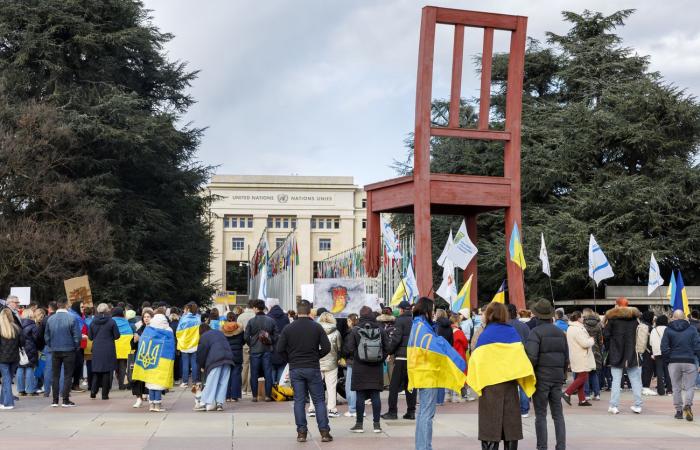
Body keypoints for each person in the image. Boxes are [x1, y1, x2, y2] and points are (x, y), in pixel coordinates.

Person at [467, 302, 536, 450]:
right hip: (510, 385)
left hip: (489, 386)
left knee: (490, 426)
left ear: (489, 315)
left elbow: (475, 361)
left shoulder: (485, 335)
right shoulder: (512, 333)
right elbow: (521, 360)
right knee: (511, 426)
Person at [276, 299, 333, 443]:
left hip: (296, 368)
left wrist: (290, 359)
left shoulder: (288, 328)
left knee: (299, 401)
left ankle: (301, 433)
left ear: (297, 311)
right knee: (319, 401)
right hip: (313, 367)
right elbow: (326, 347)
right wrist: (316, 356)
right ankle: (324, 432)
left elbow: (279, 349)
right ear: (309, 311)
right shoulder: (316, 327)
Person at [525, 299, 568, 450]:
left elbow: (531, 357)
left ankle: (542, 447)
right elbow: (565, 357)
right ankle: (561, 446)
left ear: (537, 316)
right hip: (557, 378)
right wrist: (562, 376)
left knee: (541, 415)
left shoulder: (535, 332)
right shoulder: (560, 332)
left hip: (541, 378)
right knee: (558, 415)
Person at [344, 306, 390, 434]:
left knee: (360, 396)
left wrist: (358, 358)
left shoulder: (355, 330)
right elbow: (388, 347)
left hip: (359, 368)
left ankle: (359, 425)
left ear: (360, 316)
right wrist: (380, 359)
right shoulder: (380, 330)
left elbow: (349, 349)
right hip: (376, 368)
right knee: (375, 396)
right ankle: (377, 425)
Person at [603, 297, 643, 414]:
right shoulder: (635, 320)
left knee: (616, 380)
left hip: (616, 352)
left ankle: (614, 406)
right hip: (632, 353)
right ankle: (638, 405)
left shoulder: (612, 320)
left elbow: (606, 335)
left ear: (617, 305)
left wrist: (609, 346)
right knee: (635, 380)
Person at [661, 309, 700, 421]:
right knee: (690, 387)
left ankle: (678, 411)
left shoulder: (668, 330)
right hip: (689, 361)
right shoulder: (692, 329)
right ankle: (687, 405)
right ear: (684, 317)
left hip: (674, 361)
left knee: (676, 387)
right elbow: (697, 346)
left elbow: (664, 347)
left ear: (673, 317)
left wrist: (668, 360)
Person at [382, 300, 417, 420]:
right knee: (410, 386)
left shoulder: (399, 320)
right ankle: (411, 411)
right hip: (412, 357)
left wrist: (388, 352)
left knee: (394, 386)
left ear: (401, 310)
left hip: (401, 357)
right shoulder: (415, 321)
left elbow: (396, 339)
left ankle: (392, 412)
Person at [45, 298, 81, 407]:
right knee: (67, 375)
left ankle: (55, 400)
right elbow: (77, 336)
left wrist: (51, 346)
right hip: (69, 349)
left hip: (55, 350)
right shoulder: (72, 318)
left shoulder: (50, 319)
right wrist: (75, 346)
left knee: (55, 375)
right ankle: (65, 399)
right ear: (66, 305)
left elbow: (46, 336)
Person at [309, 311, 342, 418]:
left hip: (316, 362)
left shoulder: (314, 330)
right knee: (331, 387)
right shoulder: (336, 332)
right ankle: (332, 409)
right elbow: (339, 348)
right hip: (332, 363)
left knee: (314, 386)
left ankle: (312, 408)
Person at [244, 299, 278, 402]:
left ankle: (255, 396)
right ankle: (268, 396)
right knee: (268, 373)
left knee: (254, 373)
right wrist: (270, 341)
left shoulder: (251, 321)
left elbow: (246, 337)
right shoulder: (271, 320)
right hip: (267, 349)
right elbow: (276, 335)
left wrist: (252, 344)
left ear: (255, 308)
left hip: (255, 350)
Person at [196, 323, 234, 411]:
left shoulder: (204, 336)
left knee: (211, 381)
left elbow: (201, 354)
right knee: (223, 382)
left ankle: (204, 403)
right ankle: (219, 403)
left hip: (216, 360)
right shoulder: (219, 332)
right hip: (228, 358)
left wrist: (202, 366)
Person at [562, 311, 595, 407]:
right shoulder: (577, 329)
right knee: (583, 377)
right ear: (578, 318)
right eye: (582, 317)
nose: (584, 318)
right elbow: (584, 343)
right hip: (581, 356)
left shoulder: (572, 328)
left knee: (581, 377)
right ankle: (567, 393)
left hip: (577, 355)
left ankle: (582, 400)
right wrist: (592, 340)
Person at [87, 303, 120, 400]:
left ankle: (93, 391)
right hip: (109, 348)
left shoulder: (93, 322)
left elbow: (90, 337)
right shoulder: (111, 322)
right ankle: (104, 394)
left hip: (97, 348)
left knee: (96, 370)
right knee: (106, 371)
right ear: (107, 311)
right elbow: (117, 336)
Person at [508, 303, 531, 417]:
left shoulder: (502, 326)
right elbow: (529, 343)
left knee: (509, 386)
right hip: (522, 358)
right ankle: (524, 409)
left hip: (507, 360)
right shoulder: (524, 326)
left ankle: (511, 408)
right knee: (523, 385)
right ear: (515, 313)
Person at [0, 307, 24, 409]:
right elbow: (22, 343)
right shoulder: (16, 328)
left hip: (2, 358)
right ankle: (2, 401)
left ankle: (8, 403)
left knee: (6, 379)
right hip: (14, 357)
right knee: (7, 379)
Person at [176, 302, 202, 387]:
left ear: (187, 309)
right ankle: (195, 381)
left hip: (185, 344)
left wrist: (181, 340)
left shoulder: (183, 319)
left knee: (185, 363)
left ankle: (185, 382)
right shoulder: (198, 319)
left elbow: (178, 332)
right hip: (195, 343)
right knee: (194, 363)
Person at [131, 309, 153, 407]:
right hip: (139, 357)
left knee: (149, 378)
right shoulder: (140, 329)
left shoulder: (154, 329)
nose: (146, 319)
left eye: (148, 317)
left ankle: (151, 397)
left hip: (150, 358)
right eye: (145, 317)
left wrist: (141, 340)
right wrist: (134, 341)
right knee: (137, 379)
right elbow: (132, 345)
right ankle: (138, 398)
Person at [267, 298, 290, 385]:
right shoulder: (285, 317)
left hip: (271, 346)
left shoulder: (268, 317)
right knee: (282, 368)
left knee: (272, 368)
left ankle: (271, 391)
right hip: (283, 346)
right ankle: (281, 389)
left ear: (270, 306)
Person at [17, 309, 40, 396]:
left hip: (20, 348)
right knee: (30, 367)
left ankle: (21, 390)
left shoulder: (18, 324)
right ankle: (30, 390)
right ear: (31, 315)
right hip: (31, 348)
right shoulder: (33, 325)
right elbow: (36, 338)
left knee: (20, 367)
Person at [582, 308, 603, 401]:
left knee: (585, 373)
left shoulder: (583, 325)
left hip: (586, 350)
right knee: (594, 373)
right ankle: (597, 393)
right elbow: (600, 340)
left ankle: (587, 393)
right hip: (596, 350)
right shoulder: (598, 325)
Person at [433, 309, 452, 406]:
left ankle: (435, 399)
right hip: (445, 352)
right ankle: (440, 400)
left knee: (435, 377)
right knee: (442, 377)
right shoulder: (449, 326)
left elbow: (434, 339)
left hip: (436, 353)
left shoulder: (436, 325)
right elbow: (451, 341)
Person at [237, 300, 256, 396]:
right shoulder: (255, 316)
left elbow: (238, 331)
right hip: (254, 344)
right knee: (252, 366)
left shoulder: (240, 317)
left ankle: (243, 388)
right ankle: (250, 388)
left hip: (244, 344)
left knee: (244, 365)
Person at [448, 313, 468, 403]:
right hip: (459, 355)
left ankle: (449, 395)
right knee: (460, 375)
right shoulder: (459, 332)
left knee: (451, 375)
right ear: (457, 321)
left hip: (450, 355)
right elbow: (465, 344)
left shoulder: (448, 330)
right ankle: (459, 395)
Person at [649, 314, 671, 396]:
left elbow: (650, 343)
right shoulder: (668, 329)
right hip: (667, 352)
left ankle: (661, 391)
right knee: (668, 372)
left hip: (657, 353)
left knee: (659, 372)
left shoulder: (654, 330)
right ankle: (669, 390)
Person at [111, 307, 132, 390]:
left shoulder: (111, 321)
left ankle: (108, 386)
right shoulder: (126, 322)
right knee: (123, 366)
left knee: (111, 367)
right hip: (125, 348)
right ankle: (122, 385)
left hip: (113, 347)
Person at [223, 320, 244, 402]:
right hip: (237, 355)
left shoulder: (223, 330)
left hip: (227, 355)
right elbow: (244, 340)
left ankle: (227, 396)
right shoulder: (240, 331)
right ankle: (235, 396)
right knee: (236, 375)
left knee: (227, 375)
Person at [343, 313, 359, 417]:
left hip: (351, 362)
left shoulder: (350, 333)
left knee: (350, 387)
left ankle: (352, 409)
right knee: (358, 387)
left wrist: (343, 355)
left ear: (350, 321)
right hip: (361, 362)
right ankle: (358, 408)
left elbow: (348, 349)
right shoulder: (361, 330)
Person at [639, 310, 656, 396]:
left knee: (644, 369)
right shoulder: (649, 327)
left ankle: (644, 387)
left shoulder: (641, 325)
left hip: (642, 350)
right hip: (648, 351)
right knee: (648, 369)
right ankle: (646, 387)